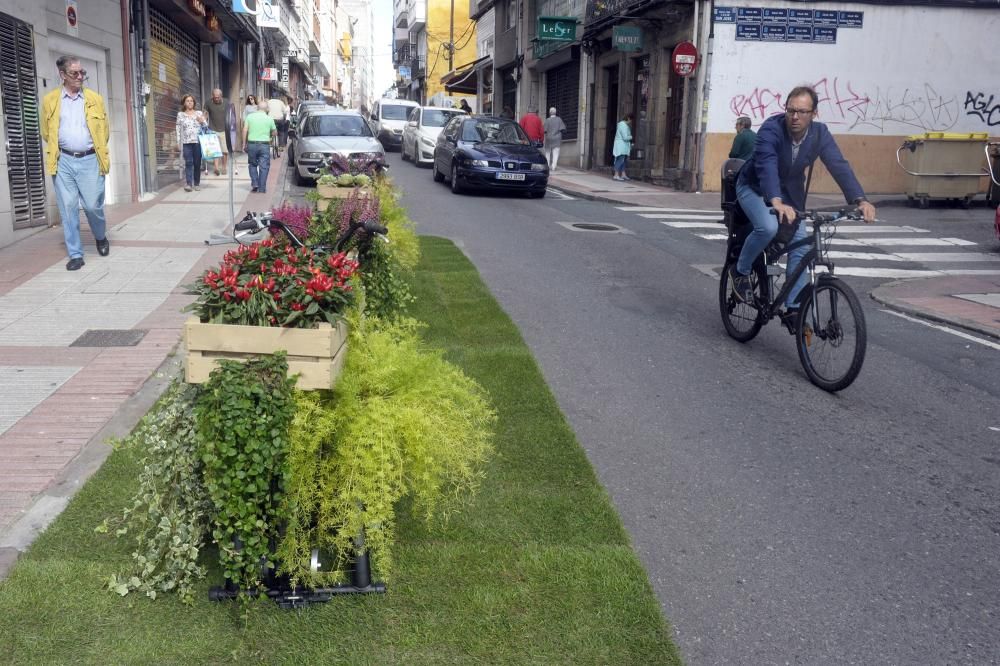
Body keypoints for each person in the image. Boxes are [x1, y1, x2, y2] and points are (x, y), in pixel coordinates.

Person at [729, 85, 877, 317]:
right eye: (790, 110)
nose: (795, 116)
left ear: (814, 114)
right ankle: (741, 271)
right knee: (768, 227)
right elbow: (766, 163)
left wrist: (860, 200)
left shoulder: (820, 134)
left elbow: (838, 164)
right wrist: (775, 200)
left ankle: (794, 308)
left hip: (790, 193)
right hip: (754, 186)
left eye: (802, 111)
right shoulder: (772, 128)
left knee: (802, 242)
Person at [41, 54, 111, 271]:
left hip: (90, 159)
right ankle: (76, 254)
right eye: (75, 73)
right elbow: (46, 132)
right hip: (63, 160)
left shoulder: (94, 99)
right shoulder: (50, 100)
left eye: (82, 73)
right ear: (62, 75)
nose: (80, 76)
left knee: (92, 206)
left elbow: (104, 132)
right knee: (68, 208)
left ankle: (100, 236)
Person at [176, 94, 208, 192]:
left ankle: (197, 183)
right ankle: (189, 184)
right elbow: (178, 129)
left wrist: (202, 121)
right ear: (184, 103)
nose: (190, 102)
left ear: (194, 103)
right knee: (188, 162)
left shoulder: (198, 113)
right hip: (186, 142)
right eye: (187, 101)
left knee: (197, 163)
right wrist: (178, 141)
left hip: (197, 142)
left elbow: (206, 127)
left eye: (191, 101)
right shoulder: (180, 114)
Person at [244, 101, 277, 193]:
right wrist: (270, 136)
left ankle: (255, 183)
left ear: (257, 108)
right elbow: (275, 132)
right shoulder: (269, 118)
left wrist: (244, 143)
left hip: (252, 144)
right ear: (266, 109)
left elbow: (245, 130)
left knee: (252, 164)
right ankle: (262, 188)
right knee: (264, 167)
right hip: (264, 145)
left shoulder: (249, 117)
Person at [203, 88, 229, 175]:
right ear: (212, 96)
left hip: (225, 130)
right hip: (213, 129)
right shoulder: (208, 103)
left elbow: (231, 114)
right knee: (215, 150)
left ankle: (224, 167)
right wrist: (203, 121)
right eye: (215, 97)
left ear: (221, 96)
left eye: (218, 97)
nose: (216, 99)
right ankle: (216, 168)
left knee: (225, 150)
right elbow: (205, 114)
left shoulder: (226, 102)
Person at [543, 107, 567, 171]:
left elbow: (544, 130)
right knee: (555, 153)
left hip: (549, 139)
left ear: (549, 113)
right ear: (555, 112)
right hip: (557, 139)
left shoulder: (547, 120)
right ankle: (553, 166)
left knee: (547, 153)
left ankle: (547, 166)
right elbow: (563, 129)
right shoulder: (559, 119)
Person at [612, 113, 633, 181]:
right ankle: (616, 174)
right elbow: (625, 137)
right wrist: (631, 137)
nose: (630, 122)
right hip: (621, 145)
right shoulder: (623, 125)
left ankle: (623, 174)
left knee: (623, 161)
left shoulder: (622, 125)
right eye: (631, 120)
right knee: (620, 160)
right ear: (628, 118)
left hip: (623, 146)